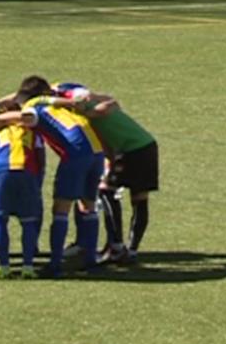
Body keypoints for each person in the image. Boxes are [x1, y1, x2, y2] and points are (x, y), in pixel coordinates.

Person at [9, 75, 106, 278]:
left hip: (75, 153)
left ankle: (55, 264)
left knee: (60, 208)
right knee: (88, 205)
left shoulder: (35, 104)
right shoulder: (63, 110)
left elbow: (35, 108)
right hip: (96, 151)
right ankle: (90, 259)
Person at [52, 82, 159, 263]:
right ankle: (127, 250)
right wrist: (109, 160)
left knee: (111, 192)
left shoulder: (84, 107)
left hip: (133, 149)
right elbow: (104, 139)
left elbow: (108, 106)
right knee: (135, 197)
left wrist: (88, 110)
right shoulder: (84, 112)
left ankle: (119, 247)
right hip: (144, 146)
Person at [0, 99, 43, 280]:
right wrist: (37, 180)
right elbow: (41, 157)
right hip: (27, 172)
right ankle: (28, 266)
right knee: (28, 221)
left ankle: (4, 266)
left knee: (0, 220)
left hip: (2, 173)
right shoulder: (32, 131)